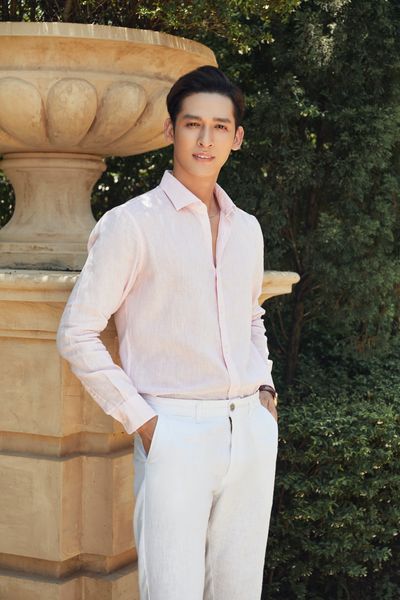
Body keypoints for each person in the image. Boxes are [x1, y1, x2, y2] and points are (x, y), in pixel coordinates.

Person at [56, 65, 279, 600]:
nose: (206, 139)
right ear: (170, 130)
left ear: (237, 138)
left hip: (250, 431)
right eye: (192, 124)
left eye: (219, 127)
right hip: (175, 431)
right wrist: (146, 423)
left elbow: (251, 315)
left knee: (239, 589)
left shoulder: (247, 229)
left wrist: (266, 392)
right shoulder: (132, 224)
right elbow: (77, 332)